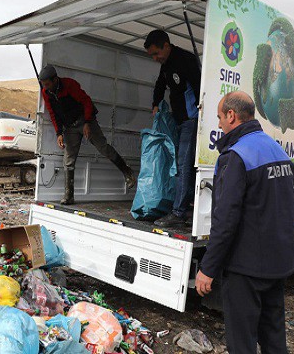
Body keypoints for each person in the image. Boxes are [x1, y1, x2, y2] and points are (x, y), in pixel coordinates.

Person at [195, 91, 294, 353]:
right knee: (274, 338)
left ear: (232, 115)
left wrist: (208, 268)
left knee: (242, 342)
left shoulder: (236, 156)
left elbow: (225, 220)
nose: (218, 124)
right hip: (277, 265)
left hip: (245, 269)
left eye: (219, 117)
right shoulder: (279, 152)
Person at [39, 64, 135, 205]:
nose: (45, 87)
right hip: (69, 127)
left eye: (47, 84)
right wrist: (59, 133)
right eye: (43, 85)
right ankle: (69, 196)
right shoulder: (46, 92)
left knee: (103, 147)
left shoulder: (70, 85)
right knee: (68, 160)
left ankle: (127, 172)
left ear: (55, 79)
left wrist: (88, 122)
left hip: (84, 119)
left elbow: (86, 102)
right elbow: (53, 113)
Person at [144, 29, 201, 227]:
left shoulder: (186, 60)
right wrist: (156, 103)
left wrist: (201, 112)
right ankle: (186, 204)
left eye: (156, 53)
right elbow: (160, 84)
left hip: (192, 120)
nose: (154, 58)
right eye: (151, 55)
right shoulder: (166, 64)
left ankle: (178, 212)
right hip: (179, 121)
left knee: (183, 164)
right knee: (182, 163)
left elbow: (199, 86)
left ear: (166, 46)